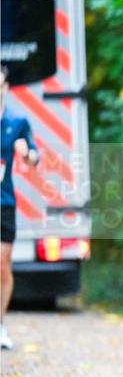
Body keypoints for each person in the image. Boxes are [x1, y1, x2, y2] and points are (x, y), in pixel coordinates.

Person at [0, 64, 41, 351]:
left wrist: (27, 156)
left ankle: (0, 325)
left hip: (4, 201)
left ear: (5, 87)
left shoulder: (17, 119)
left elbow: (35, 156)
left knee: (2, 263)